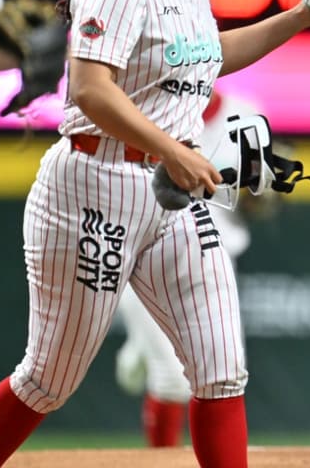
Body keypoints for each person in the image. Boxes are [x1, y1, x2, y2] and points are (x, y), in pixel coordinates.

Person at [0, 0, 310, 468]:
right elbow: (91, 90)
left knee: (221, 368)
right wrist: (174, 148)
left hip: (167, 199)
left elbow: (210, 56)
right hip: (94, 186)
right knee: (47, 381)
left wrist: (305, 13)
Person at [113, 86, 276, 449]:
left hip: (214, 262)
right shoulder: (148, 109)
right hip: (149, 255)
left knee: (220, 371)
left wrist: (262, 188)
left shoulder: (245, 111)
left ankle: (140, 346)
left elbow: (254, 200)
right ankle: (162, 456)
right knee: (172, 378)